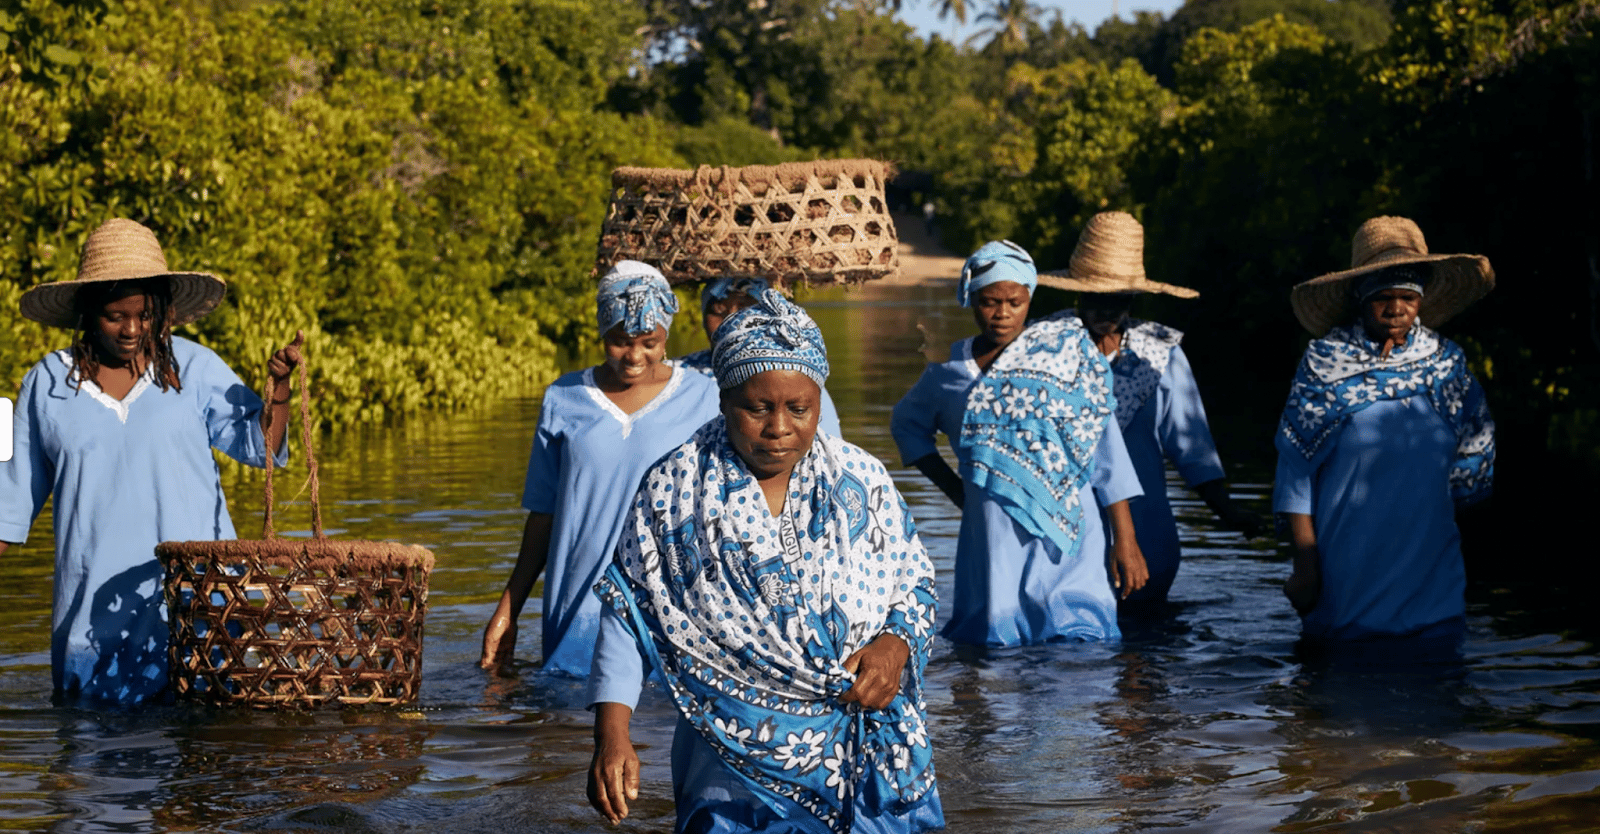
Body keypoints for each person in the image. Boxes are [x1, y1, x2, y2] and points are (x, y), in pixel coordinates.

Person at [586, 290, 943, 834]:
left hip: (858, 745)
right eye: (758, 408)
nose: (779, 427)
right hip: (727, 757)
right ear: (725, 399)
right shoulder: (672, 492)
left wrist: (895, 647)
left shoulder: (861, 480)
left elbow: (913, 582)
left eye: (799, 409)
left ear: (819, 402)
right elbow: (629, 613)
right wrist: (612, 736)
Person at [0, 218, 301, 705]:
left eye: (144, 314)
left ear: (162, 310)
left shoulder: (193, 368)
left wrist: (280, 390)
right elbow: (8, 507)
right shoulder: (47, 385)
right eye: (115, 316)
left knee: (202, 769)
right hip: (89, 634)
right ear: (87, 312)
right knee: (89, 775)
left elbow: (261, 447)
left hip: (201, 624)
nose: (132, 330)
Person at [890, 240, 1146, 646]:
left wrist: (1125, 540)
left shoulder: (1068, 358)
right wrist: (958, 490)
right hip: (993, 533)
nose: (1003, 313)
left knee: (1082, 647)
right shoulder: (950, 370)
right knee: (997, 650)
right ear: (970, 299)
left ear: (1030, 299)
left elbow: (1104, 450)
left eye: (1015, 301)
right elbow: (907, 425)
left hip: (1073, 529)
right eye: (990, 301)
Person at [480, 261, 721, 676]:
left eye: (650, 341)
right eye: (619, 341)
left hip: (672, 613)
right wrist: (508, 609)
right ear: (601, 331)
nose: (634, 356)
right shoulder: (564, 397)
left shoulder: (707, 395)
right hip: (578, 605)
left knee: (659, 722)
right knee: (568, 721)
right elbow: (544, 515)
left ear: (667, 336)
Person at [1274, 216, 1495, 642]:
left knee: (1434, 695)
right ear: (1361, 298)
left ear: (1422, 299)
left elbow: (1475, 453)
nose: (1396, 309)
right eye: (1383, 298)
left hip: (1432, 576)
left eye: (1408, 298)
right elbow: (1295, 466)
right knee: (1344, 697)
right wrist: (1305, 566)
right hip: (1348, 574)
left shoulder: (1447, 365)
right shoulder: (1325, 365)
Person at [1037, 212, 1260, 606]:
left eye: (1117, 297)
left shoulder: (1159, 354)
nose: (1106, 308)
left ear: (1133, 297)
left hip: (1146, 529)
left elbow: (1192, 447)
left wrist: (1228, 512)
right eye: (1096, 295)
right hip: (1065, 530)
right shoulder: (1044, 346)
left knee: (1146, 652)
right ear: (1076, 292)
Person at [678, 276, 843, 437]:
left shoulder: (799, 381)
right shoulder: (676, 376)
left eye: (744, 309)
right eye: (718, 310)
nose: (729, 320)